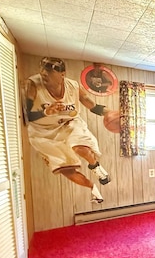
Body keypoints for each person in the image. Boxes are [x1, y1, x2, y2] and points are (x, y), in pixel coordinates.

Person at [25, 57, 113, 203]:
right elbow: (26, 115)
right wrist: (45, 112)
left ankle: (96, 168)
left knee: (79, 146)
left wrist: (109, 113)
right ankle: (93, 188)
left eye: (48, 71)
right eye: (42, 70)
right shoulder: (33, 85)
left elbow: (92, 105)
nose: (43, 74)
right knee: (66, 170)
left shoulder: (73, 86)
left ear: (62, 74)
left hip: (69, 122)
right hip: (43, 131)